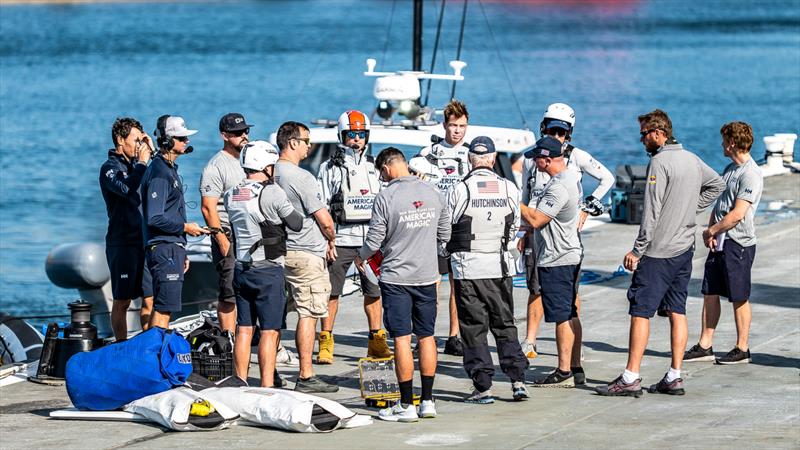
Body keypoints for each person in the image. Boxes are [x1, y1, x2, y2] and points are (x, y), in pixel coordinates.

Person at [596, 109, 724, 397]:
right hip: (684, 250)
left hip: (658, 253)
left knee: (641, 311)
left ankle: (630, 377)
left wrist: (637, 250)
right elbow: (718, 184)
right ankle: (675, 375)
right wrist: (690, 209)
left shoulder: (659, 162)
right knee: (677, 310)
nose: (641, 141)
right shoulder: (691, 158)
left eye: (644, 135)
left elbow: (651, 212)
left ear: (658, 133)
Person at [355, 147, 450, 422]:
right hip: (427, 275)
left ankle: (407, 404)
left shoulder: (386, 196)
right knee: (427, 336)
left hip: (396, 278)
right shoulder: (433, 192)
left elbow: (374, 240)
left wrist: (361, 258)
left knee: (401, 339)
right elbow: (444, 233)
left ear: (385, 169)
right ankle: (429, 401)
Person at [518, 103, 614, 362]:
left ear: (568, 133)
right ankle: (530, 340)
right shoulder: (532, 159)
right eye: (552, 130)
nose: (556, 136)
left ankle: (573, 346)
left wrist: (586, 207)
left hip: (563, 235)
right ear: (543, 127)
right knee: (535, 287)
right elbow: (526, 195)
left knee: (569, 293)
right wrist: (524, 233)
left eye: (561, 132)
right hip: (537, 230)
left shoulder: (577, 157)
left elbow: (608, 178)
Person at [447, 136, 529, 404]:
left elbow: (447, 226)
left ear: (470, 159)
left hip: (468, 269)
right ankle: (518, 381)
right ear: (493, 159)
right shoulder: (509, 188)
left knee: (474, 328)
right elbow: (516, 224)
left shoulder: (461, 189)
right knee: (505, 324)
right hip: (500, 267)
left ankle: (483, 387)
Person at [224, 140, 303, 387]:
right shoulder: (272, 192)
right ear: (266, 166)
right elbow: (296, 222)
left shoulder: (232, 193)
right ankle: (267, 386)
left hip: (241, 268)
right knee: (270, 330)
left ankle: (241, 380)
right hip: (268, 270)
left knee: (244, 328)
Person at [316, 110, 392, 364]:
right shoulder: (329, 168)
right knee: (332, 293)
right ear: (342, 135)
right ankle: (326, 340)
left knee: (373, 291)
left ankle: (376, 339)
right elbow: (322, 205)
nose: (356, 140)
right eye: (352, 135)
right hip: (341, 239)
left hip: (370, 241)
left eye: (361, 135)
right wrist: (328, 240)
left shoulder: (375, 166)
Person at [684, 121, 762, 365]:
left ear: (732, 143)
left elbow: (738, 213)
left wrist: (712, 230)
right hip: (720, 241)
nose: (721, 144)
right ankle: (705, 345)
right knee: (710, 291)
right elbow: (720, 205)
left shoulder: (750, 174)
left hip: (738, 243)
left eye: (723, 140)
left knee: (739, 296)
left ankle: (743, 348)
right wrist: (712, 230)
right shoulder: (730, 169)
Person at [274, 121, 339, 394]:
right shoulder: (301, 177)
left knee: (274, 316)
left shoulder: (271, 172)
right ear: (292, 143)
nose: (309, 146)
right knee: (308, 313)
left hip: (279, 252)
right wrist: (331, 240)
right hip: (306, 254)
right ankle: (306, 375)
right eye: (306, 140)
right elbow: (324, 219)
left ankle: (271, 371)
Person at [519, 136, 585, 388]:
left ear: (547, 160)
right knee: (571, 313)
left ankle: (564, 371)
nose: (534, 162)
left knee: (561, 316)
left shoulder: (559, 186)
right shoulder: (570, 179)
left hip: (558, 258)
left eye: (537, 158)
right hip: (569, 254)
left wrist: (517, 203)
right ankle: (575, 366)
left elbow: (536, 219)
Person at [414, 99, 472, 356]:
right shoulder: (428, 153)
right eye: (452, 125)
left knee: (458, 284)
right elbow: (411, 181)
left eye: (461, 126)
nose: (456, 131)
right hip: (433, 227)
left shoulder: (473, 153)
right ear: (444, 125)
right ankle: (424, 336)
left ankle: (453, 336)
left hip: (461, 226)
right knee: (430, 284)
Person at [141, 115, 209, 329]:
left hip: (172, 247)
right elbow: (155, 217)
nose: (186, 142)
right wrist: (185, 228)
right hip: (164, 249)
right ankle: (155, 358)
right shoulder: (161, 173)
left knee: (164, 307)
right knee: (163, 308)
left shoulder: (167, 169)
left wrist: (182, 248)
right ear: (168, 141)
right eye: (181, 138)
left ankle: (154, 355)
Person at [99, 117, 153, 341]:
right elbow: (126, 188)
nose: (139, 146)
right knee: (123, 301)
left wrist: (152, 150)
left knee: (150, 299)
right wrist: (141, 164)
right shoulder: (110, 168)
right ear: (121, 140)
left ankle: (148, 347)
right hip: (122, 243)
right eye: (135, 140)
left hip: (144, 241)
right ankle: (121, 347)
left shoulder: (139, 166)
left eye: (142, 140)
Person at [199, 113, 250, 333]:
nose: (244, 136)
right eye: (238, 133)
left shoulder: (250, 159)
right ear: (225, 135)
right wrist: (221, 239)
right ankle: (228, 340)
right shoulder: (216, 166)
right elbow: (207, 208)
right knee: (229, 293)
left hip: (250, 234)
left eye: (246, 131)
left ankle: (250, 338)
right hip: (229, 234)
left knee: (251, 290)